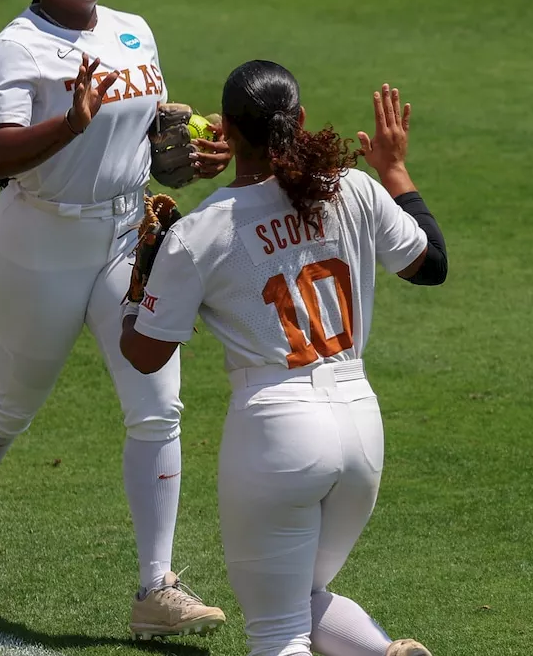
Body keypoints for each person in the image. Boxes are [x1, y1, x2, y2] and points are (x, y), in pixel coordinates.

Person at [0, 0, 229, 637]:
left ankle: (158, 587)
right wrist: (70, 124)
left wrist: (191, 159)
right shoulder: (12, 50)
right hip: (42, 239)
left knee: (158, 404)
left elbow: (156, 144)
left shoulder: (133, 29)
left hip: (126, 235)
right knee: (14, 402)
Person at [119, 62, 446, 656]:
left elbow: (143, 354)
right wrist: (395, 169)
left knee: (278, 633)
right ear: (296, 120)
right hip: (361, 428)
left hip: (276, 433)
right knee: (302, 591)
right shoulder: (353, 186)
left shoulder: (201, 230)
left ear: (227, 133)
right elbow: (432, 265)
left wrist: (139, 282)